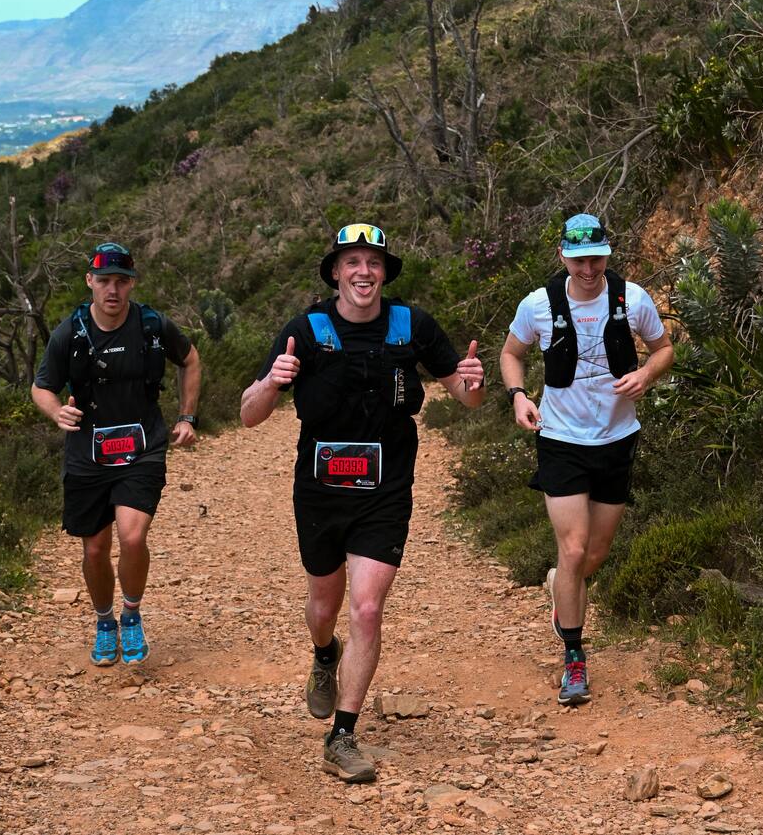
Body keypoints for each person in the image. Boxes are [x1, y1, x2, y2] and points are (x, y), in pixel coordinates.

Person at [240, 223, 485, 783]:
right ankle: (325, 655)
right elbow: (248, 415)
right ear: (335, 272)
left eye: (373, 262)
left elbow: (466, 398)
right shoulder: (304, 329)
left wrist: (472, 383)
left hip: (387, 489)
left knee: (368, 608)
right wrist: (271, 383)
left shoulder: (412, 326)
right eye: (352, 262)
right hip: (321, 492)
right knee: (324, 609)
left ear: (384, 273)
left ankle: (343, 736)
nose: (363, 272)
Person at [499, 214, 672, 706]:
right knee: (573, 549)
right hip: (560, 439)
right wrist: (517, 395)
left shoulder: (632, 299)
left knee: (592, 556)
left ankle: (561, 587)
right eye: (578, 260)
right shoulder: (539, 305)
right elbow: (511, 353)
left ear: (607, 254)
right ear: (563, 258)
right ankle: (574, 658)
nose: (589, 268)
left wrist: (646, 375)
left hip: (618, 438)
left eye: (596, 257)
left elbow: (664, 350)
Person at [31, 242, 201, 667]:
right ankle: (104, 620)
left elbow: (191, 359)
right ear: (90, 281)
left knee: (132, 536)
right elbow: (41, 386)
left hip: (142, 446)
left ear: (131, 284)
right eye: (104, 280)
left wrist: (187, 416)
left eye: (121, 281)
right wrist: (57, 411)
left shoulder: (151, 325)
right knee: (94, 549)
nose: (113, 290)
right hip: (87, 453)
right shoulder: (68, 333)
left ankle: (131, 612)